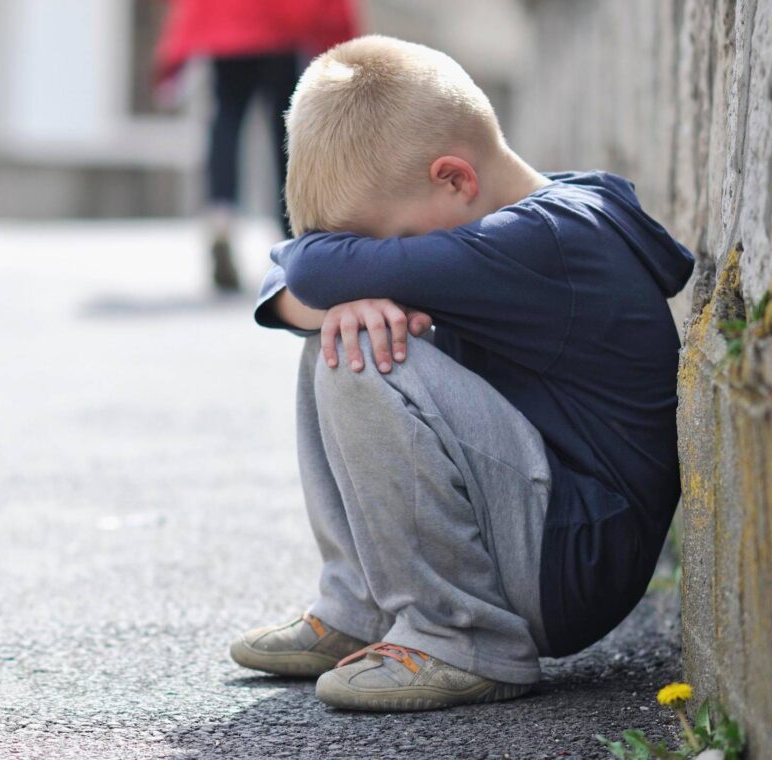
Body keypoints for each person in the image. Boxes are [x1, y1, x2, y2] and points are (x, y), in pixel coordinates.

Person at [230, 35, 694, 712]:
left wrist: (344, 288)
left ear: (454, 178)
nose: (376, 264)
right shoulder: (521, 215)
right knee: (341, 332)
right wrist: (352, 292)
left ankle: (461, 637)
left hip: (571, 559)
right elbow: (296, 270)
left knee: (358, 350)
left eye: (384, 248)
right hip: (544, 527)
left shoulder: (541, 242)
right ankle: (362, 608)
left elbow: (308, 270)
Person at [155, 0, 357, 291]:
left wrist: (174, 50)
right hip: (284, 21)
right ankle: (295, 233)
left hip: (227, 19)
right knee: (286, 129)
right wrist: (341, 34)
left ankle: (221, 215)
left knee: (226, 118)